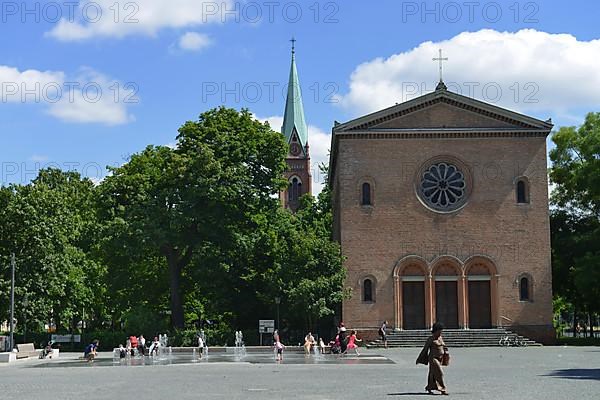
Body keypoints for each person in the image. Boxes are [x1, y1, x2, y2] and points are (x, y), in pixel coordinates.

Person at [416, 322, 449, 396]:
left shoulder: (440, 338)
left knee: (433, 374)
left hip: (440, 358)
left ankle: (429, 387)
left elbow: (443, 347)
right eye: (440, 331)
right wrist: (420, 359)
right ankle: (443, 388)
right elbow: (425, 349)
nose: (441, 332)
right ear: (436, 330)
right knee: (439, 373)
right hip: (433, 358)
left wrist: (446, 353)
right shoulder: (431, 339)